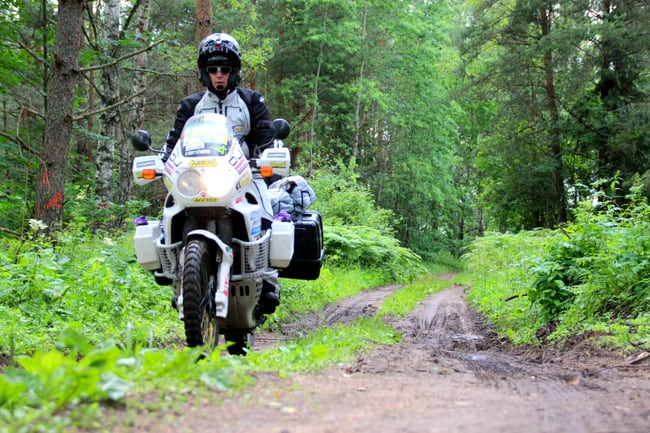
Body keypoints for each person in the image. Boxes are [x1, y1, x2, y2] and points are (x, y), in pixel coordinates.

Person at [163, 32, 280, 315]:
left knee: (266, 212)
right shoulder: (191, 105)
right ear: (205, 73)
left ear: (234, 72)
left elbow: (266, 137)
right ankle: (176, 278)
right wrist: (160, 162)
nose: (219, 75)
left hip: (243, 177)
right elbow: (172, 144)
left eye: (224, 69)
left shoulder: (252, 101)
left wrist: (268, 158)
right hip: (197, 180)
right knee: (168, 212)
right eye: (213, 69)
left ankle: (269, 279)